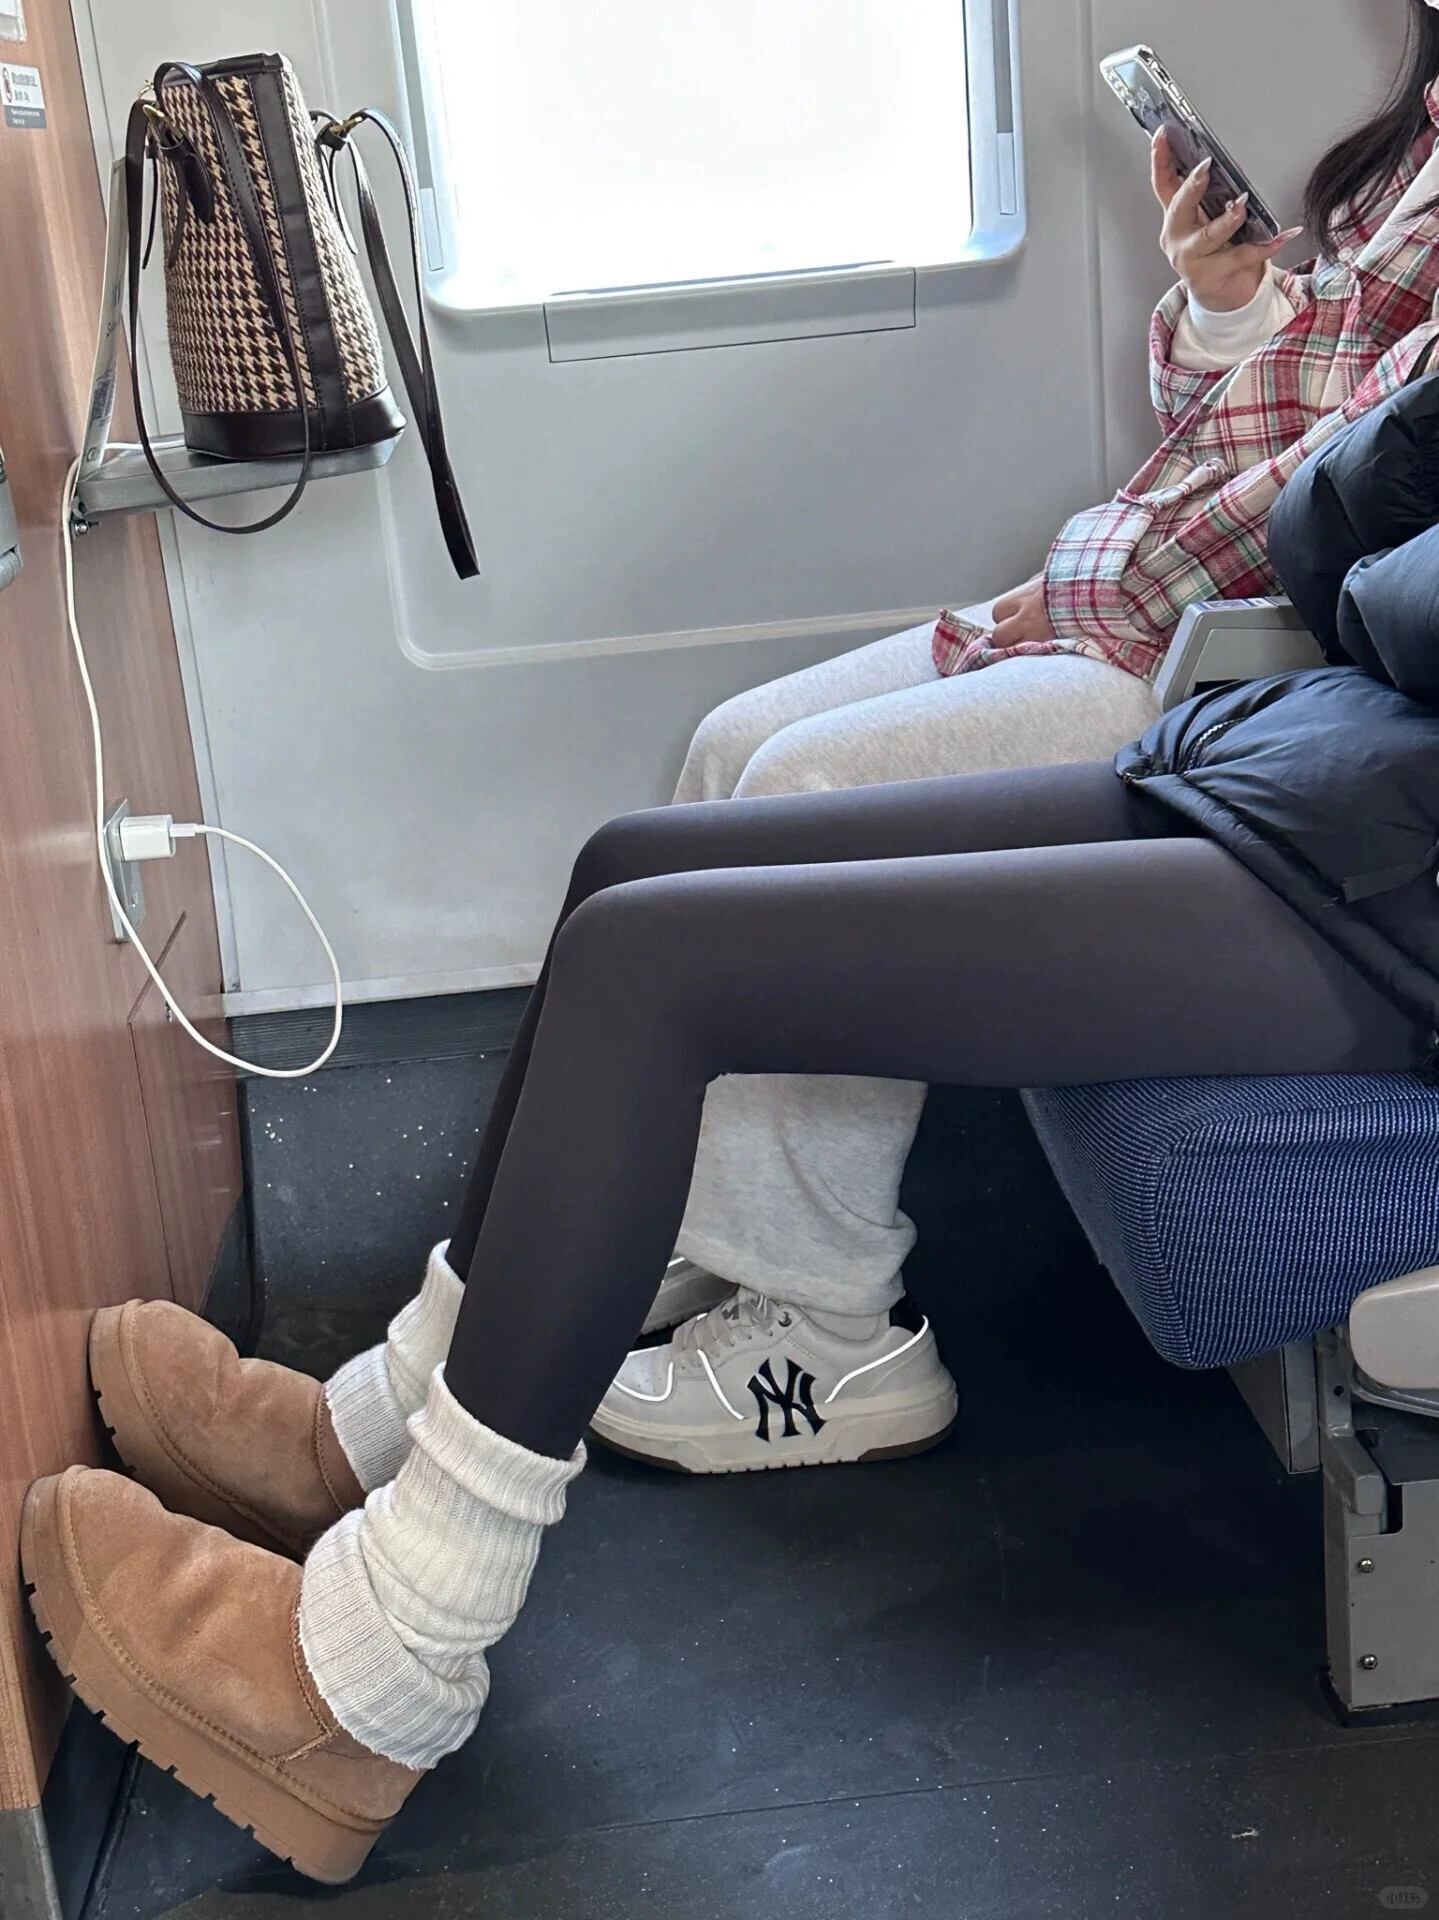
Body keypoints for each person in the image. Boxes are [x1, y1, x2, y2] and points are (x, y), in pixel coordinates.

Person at [21, 12, 1439, 1890]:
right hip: (1319, 773)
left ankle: (376, 1678)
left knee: (664, 974)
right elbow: (1344, 522)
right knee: (636, 873)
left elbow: (1353, 568)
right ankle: (380, 1426)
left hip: (1386, 878)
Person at [645, 0, 1439, 1404]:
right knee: (729, 749)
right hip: (1162, 609)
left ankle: (823, 1341)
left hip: (1249, 679)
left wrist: (1101, 583)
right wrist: (1227, 301)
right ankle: (715, 1228)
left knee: (804, 795)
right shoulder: (1417, 153)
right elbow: (1292, 422)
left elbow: (1333, 507)